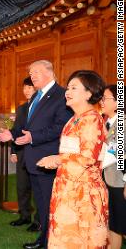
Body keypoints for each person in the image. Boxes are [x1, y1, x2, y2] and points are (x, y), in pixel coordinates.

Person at [0, 60, 72, 249]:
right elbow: (25, 126)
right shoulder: (36, 96)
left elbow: (60, 127)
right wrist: (11, 134)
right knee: (41, 205)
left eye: (36, 72)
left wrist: (33, 137)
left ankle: (50, 242)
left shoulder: (61, 95)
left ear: (49, 72)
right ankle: (44, 239)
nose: (32, 76)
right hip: (33, 162)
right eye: (30, 73)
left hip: (49, 161)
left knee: (49, 205)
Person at [37, 70, 108, 248]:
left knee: (82, 240)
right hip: (66, 187)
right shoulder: (74, 119)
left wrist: (58, 159)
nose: (67, 91)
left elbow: (88, 157)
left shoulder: (92, 119)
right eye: (68, 87)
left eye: (74, 87)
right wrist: (57, 161)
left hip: (83, 192)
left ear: (88, 93)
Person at [9, 77, 40, 232]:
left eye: (30, 87)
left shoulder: (42, 107)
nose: (27, 90)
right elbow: (15, 131)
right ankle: (24, 215)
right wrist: (13, 151)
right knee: (22, 187)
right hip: (21, 153)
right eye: (25, 88)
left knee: (38, 189)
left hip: (36, 153)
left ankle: (39, 221)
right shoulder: (21, 109)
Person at [101, 84, 125, 249]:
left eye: (105, 98)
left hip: (120, 182)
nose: (101, 101)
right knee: (114, 222)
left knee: (121, 223)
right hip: (109, 180)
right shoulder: (107, 122)